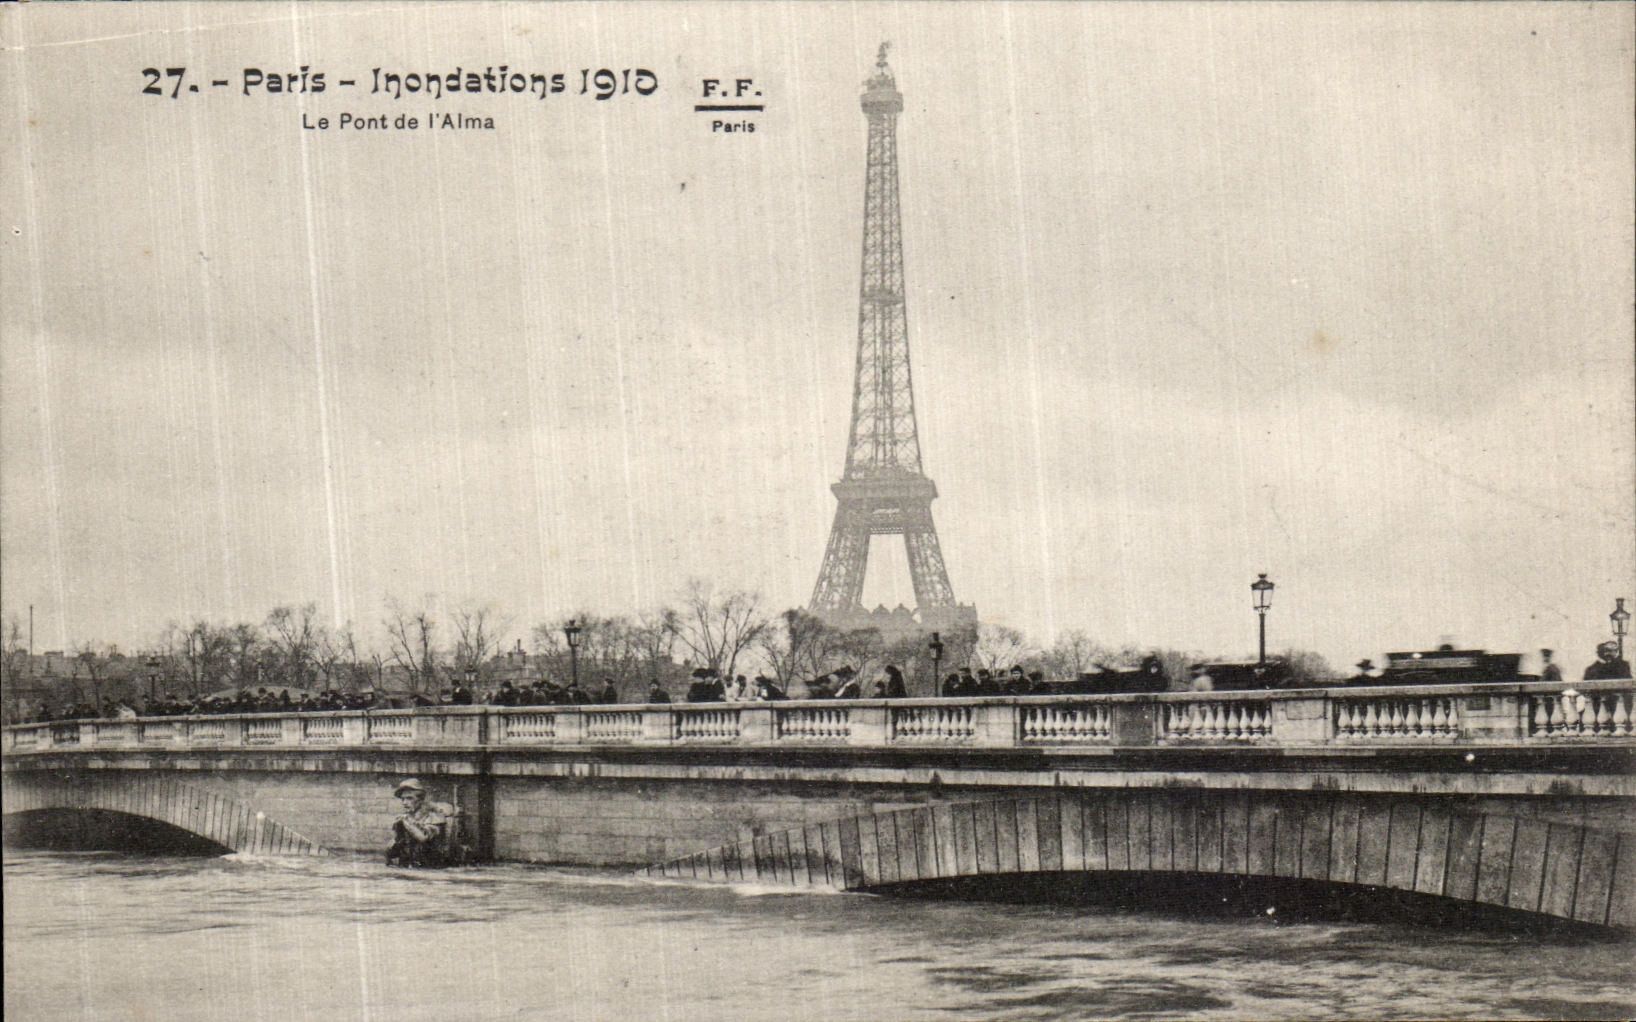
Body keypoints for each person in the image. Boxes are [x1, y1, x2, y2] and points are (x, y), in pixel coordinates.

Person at [386, 778, 453, 868]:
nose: (404, 803)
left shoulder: (435, 817)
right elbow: (392, 852)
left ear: (420, 799)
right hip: (409, 868)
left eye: (409, 798)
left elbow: (423, 837)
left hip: (432, 869)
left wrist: (407, 822)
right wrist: (396, 837)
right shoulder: (404, 819)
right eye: (403, 799)